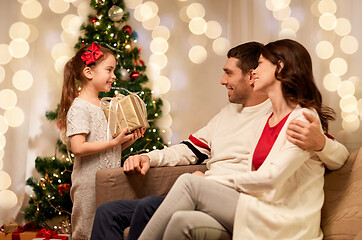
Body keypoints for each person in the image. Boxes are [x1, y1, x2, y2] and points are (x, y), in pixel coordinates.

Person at [90, 41, 349, 240]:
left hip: (269, 212)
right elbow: (190, 148)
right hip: (247, 201)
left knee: (187, 184)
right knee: (178, 220)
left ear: (278, 68)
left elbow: (286, 171)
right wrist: (149, 156)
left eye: (258, 66)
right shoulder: (258, 118)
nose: (253, 73)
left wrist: (322, 144)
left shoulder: (298, 118)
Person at [58, 42, 145, 240]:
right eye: (109, 70)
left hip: (109, 181)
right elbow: (78, 147)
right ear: (89, 72)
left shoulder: (105, 106)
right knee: (87, 230)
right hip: (88, 184)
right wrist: (114, 143)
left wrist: (128, 140)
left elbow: (108, 147)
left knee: (106, 229)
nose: (113, 76)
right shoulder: (80, 107)